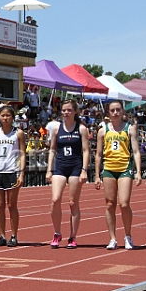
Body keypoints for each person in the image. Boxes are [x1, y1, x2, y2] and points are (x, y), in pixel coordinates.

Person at [94, 100, 142, 250]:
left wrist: (138, 172)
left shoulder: (130, 129)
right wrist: (96, 175)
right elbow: (99, 154)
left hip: (124, 169)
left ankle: (128, 235)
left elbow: (135, 151)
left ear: (122, 112)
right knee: (109, 204)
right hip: (108, 169)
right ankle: (112, 238)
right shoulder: (103, 130)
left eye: (118, 110)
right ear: (108, 112)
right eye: (112, 110)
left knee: (124, 203)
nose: (115, 113)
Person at [46, 100, 90, 249]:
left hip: (76, 167)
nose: (66, 113)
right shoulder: (57, 128)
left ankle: (73, 236)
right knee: (55, 199)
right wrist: (49, 169)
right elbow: (52, 149)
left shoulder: (82, 129)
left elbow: (86, 150)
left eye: (69, 110)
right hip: (60, 166)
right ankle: (57, 233)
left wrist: (84, 169)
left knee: (72, 203)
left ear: (75, 111)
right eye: (64, 110)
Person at [0, 105, 26, 247]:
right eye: (3, 115)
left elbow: (22, 154)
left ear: (13, 117)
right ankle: (2, 235)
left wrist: (21, 173)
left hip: (12, 171)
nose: (5, 118)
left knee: (11, 205)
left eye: (8, 115)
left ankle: (14, 235)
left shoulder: (18, 133)